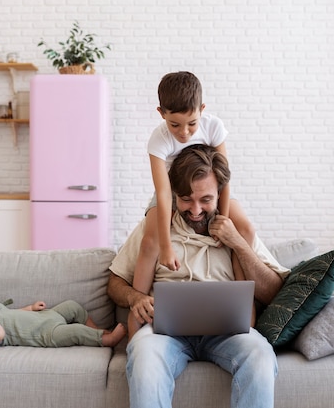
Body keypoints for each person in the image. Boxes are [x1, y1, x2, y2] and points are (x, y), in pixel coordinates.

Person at [107, 144, 290, 408]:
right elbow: (114, 282)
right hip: (164, 334)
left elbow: (274, 292)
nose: (195, 210)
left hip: (227, 334)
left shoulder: (234, 228)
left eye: (205, 200)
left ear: (219, 195)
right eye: (186, 199)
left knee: (260, 354)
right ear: (174, 195)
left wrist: (237, 243)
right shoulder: (157, 227)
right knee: (145, 356)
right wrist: (135, 297)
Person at [131, 71, 255, 336]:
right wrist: (166, 247)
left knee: (244, 230)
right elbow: (163, 193)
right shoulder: (158, 140)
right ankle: (135, 321)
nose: (184, 132)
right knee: (149, 239)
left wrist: (223, 220)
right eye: (175, 124)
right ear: (161, 113)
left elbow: (224, 177)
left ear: (202, 110)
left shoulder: (213, 126)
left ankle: (246, 314)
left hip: (207, 188)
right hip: (173, 190)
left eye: (191, 123)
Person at [0, 298, 126, 348]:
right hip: (46, 334)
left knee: (72, 306)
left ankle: (97, 330)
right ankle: (106, 340)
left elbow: (11, 314)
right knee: (75, 331)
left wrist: (30, 308)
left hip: (45, 317)